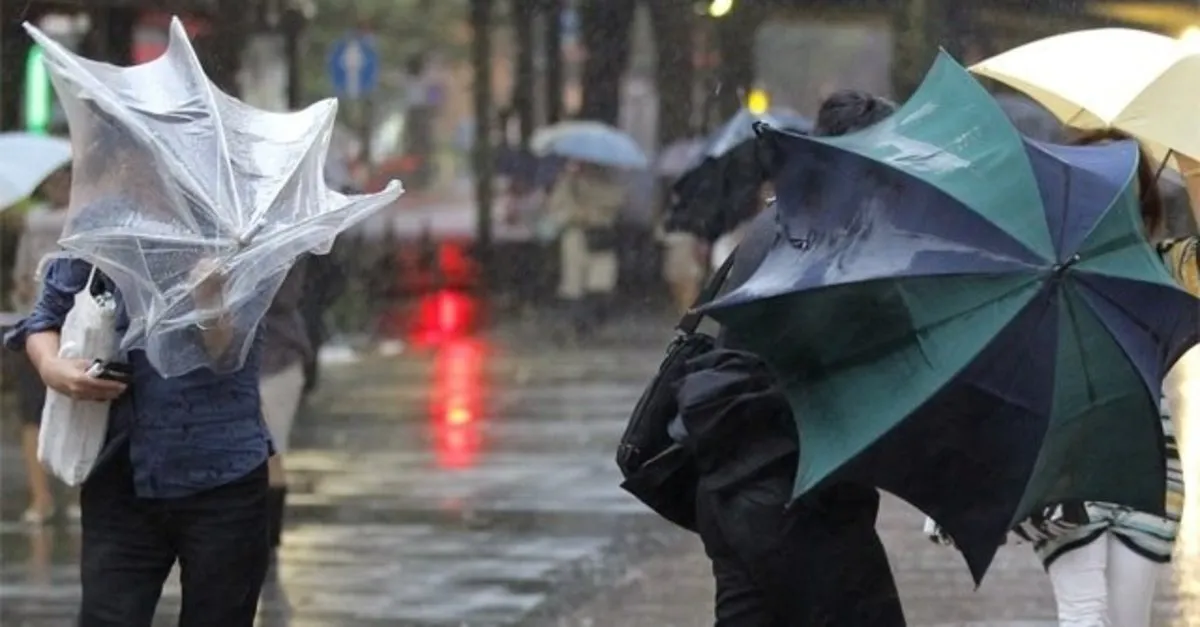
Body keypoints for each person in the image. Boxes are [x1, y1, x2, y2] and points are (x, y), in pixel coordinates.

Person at [4, 122, 273, 625]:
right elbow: (41, 320)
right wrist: (54, 367)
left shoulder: (237, 236)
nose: (138, 176)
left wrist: (210, 299)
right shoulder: (102, 228)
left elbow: (226, 356)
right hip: (120, 470)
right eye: (130, 163)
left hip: (221, 475)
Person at [681, 90, 906, 626]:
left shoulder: (782, 221)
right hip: (796, 498)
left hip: (730, 486)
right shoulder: (833, 242)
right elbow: (841, 371)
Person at [1020, 129, 1200, 627]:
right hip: (1066, 468)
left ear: (1140, 201)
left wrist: (1194, 171)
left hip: (1147, 474)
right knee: (1084, 613)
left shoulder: (1158, 270)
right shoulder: (1041, 273)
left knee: (1127, 621)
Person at [10, 165, 72, 524]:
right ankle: (42, 496)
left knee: (76, 410)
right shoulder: (35, 223)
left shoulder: (38, 222)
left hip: (60, 327)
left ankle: (55, 496)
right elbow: (21, 277)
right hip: (43, 325)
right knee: (34, 415)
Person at [260, 260, 312, 552]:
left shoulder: (282, 249)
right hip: (244, 365)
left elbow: (282, 297)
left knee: (271, 450)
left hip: (277, 361)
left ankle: (269, 541)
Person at [545, 160, 627, 339]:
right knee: (573, 282)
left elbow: (617, 201)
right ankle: (578, 324)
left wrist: (593, 208)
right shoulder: (567, 183)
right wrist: (577, 210)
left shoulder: (608, 183)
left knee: (601, 282)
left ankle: (594, 322)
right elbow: (556, 208)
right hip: (576, 234)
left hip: (601, 236)